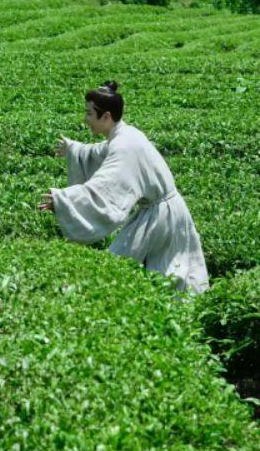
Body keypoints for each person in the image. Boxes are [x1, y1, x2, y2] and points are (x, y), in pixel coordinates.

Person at [39, 81, 208, 294]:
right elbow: (101, 152)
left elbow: (104, 187)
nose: (86, 119)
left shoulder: (124, 145)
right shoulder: (124, 135)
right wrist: (75, 149)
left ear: (106, 116)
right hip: (159, 211)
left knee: (128, 268)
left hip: (161, 216)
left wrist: (63, 200)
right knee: (159, 271)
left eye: (89, 114)